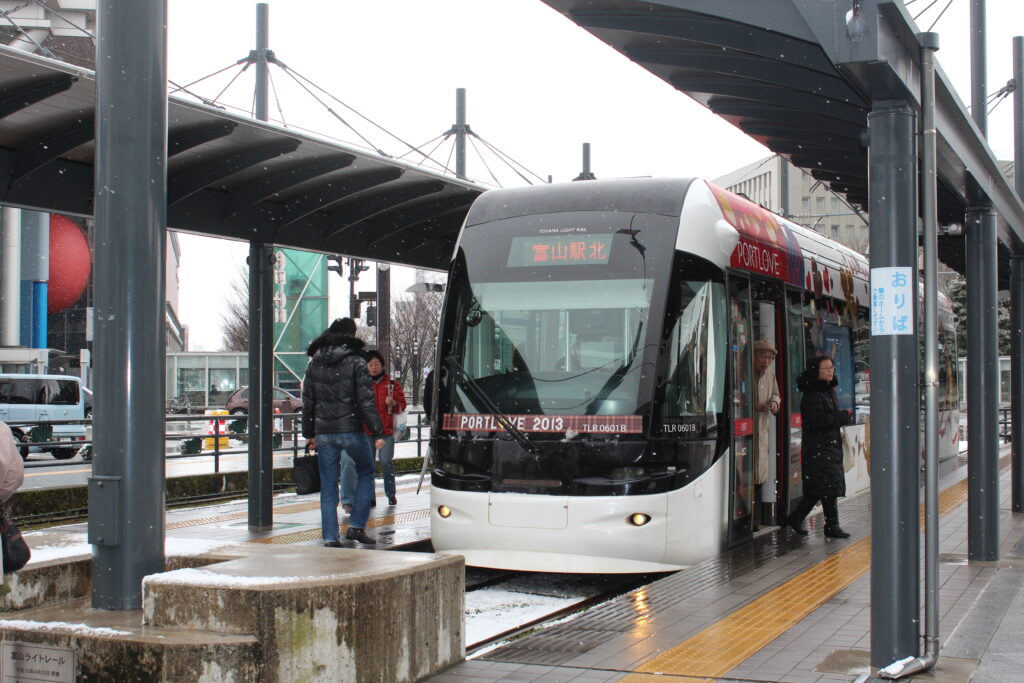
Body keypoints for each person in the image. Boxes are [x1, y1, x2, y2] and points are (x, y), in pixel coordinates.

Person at [302, 318, 384, 546]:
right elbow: (365, 400)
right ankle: (357, 526)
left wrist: (309, 433)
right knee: (366, 473)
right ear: (350, 334)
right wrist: (377, 431)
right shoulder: (357, 362)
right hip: (351, 430)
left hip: (324, 433)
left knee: (328, 484)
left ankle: (330, 537)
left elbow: (308, 401)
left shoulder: (314, 364)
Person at [787, 354, 853, 539]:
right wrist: (842, 416)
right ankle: (829, 525)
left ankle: (801, 519)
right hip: (819, 448)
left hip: (827, 447)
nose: (830, 371)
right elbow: (818, 420)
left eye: (832, 367)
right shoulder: (812, 395)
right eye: (826, 368)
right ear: (816, 371)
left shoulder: (826, 391)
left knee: (822, 487)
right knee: (823, 487)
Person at [345, 349, 405, 507]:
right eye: (370, 364)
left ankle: (390, 494)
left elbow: (402, 406)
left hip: (386, 431)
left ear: (382, 365)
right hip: (367, 431)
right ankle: (369, 496)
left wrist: (393, 403)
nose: (373, 367)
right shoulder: (361, 385)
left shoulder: (392, 385)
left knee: (385, 462)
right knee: (367, 465)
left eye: (376, 364)